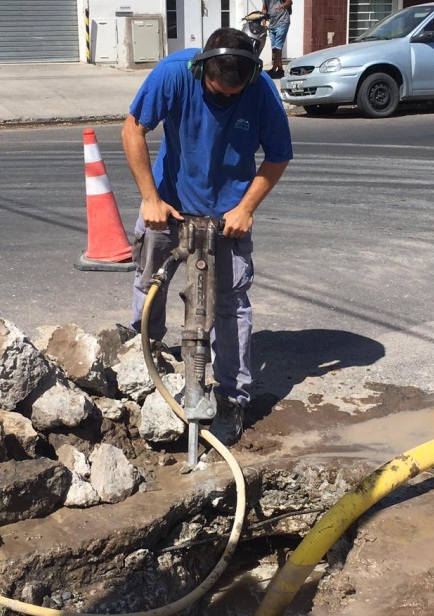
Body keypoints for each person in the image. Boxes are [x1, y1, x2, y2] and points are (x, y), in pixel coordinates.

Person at [121, 27, 293, 446]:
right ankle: (142, 362)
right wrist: (149, 199)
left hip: (227, 213)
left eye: (234, 94)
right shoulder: (175, 72)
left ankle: (233, 396)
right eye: (218, 91)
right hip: (170, 203)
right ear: (203, 71)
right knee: (150, 283)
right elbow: (132, 129)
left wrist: (246, 208)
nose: (225, 98)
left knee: (231, 305)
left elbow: (278, 155)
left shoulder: (261, 90)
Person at [261, 0, 292, 78]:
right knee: (274, 48)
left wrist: (281, 6)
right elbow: (265, 9)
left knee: (278, 47)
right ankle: (280, 70)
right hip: (272, 24)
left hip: (282, 21)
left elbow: (289, 2)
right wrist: (264, 22)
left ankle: (273, 69)